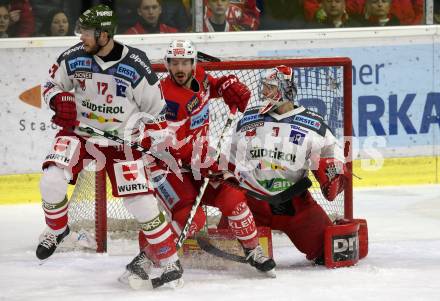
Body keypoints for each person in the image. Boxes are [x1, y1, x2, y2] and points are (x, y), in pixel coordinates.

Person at [37, 4, 182, 288]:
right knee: (51, 180)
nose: (82, 38)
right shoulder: (73, 56)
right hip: (80, 134)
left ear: (104, 34)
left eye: (88, 33)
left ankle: (169, 259)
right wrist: (58, 99)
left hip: (121, 143)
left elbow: (158, 113)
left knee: (141, 202)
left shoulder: (136, 65)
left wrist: (148, 139)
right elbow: (49, 86)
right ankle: (57, 229)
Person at [130, 39, 276, 278]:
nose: (180, 69)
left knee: (233, 196)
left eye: (185, 63)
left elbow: (213, 86)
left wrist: (228, 85)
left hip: (198, 160)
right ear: (167, 64)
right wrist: (202, 164)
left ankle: (252, 250)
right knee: (191, 218)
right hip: (166, 166)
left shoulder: (200, 75)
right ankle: (145, 259)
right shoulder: (167, 98)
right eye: (174, 63)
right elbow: (169, 145)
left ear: (193, 63)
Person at [227, 65, 354, 265]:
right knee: (222, 255)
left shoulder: (314, 125)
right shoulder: (248, 118)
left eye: (270, 87)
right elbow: (230, 160)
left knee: (335, 253)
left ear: (285, 89)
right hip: (251, 204)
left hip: (294, 204)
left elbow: (336, 162)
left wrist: (333, 174)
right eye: (264, 87)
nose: (264, 92)